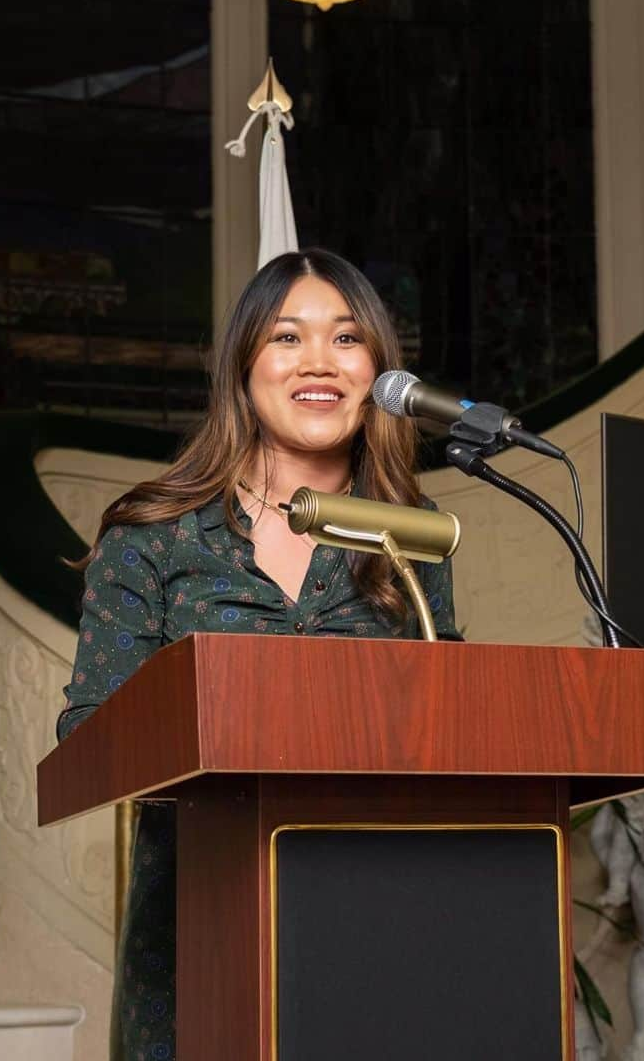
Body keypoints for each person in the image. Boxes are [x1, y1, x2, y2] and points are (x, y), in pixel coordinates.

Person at [57, 248, 462, 1060]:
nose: (319, 361)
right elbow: (89, 743)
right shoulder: (153, 536)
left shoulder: (412, 543)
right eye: (288, 338)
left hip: (378, 941)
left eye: (347, 340)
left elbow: (447, 726)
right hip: (198, 949)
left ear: (378, 371)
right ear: (244, 368)